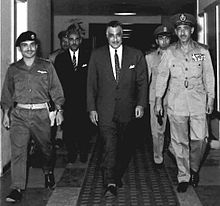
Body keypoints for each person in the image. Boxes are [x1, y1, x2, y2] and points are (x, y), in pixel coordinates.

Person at [1, 31, 65, 202]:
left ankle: (48, 171)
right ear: (20, 48)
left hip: (41, 114)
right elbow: (6, 94)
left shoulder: (47, 66)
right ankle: (17, 188)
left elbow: (56, 90)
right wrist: (6, 113)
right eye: (24, 46)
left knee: (46, 148)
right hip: (19, 114)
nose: (28, 49)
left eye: (31, 45)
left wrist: (59, 110)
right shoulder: (13, 69)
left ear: (36, 47)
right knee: (19, 152)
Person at [155, 13, 215, 193]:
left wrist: (211, 98)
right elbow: (162, 77)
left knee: (201, 139)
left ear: (192, 30)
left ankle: (193, 169)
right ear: (176, 31)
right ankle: (183, 176)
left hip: (198, 101)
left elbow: (209, 76)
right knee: (179, 141)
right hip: (177, 102)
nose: (182, 32)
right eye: (179, 29)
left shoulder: (202, 51)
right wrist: (158, 100)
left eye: (185, 29)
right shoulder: (169, 52)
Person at [87, 20, 147, 196]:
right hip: (104, 110)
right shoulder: (96, 55)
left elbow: (143, 83)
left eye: (118, 34)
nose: (115, 39)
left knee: (123, 147)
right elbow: (91, 84)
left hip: (127, 110)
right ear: (106, 36)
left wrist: (141, 104)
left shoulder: (135, 55)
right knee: (109, 145)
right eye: (111, 35)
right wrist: (91, 108)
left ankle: (115, 171)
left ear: (122, 35)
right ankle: (110, 181)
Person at [54, 24, 91, 164]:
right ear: (67, 41)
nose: (74, 42)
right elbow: (57, 82)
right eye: (71, 39)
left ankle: (83, 153)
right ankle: (72, 153)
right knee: (69, 129)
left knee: (84, 129)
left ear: (80, 40)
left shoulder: (88, 56)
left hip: (84, 100)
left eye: (77, 39)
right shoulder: (60, 59)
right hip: (67, 101)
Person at [145, 24, 172, 168]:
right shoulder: (150, 58)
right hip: (155, 99)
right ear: (157, 41)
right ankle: (158, 155)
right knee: (157, 131)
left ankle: (173, 150)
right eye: (161, 38)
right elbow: (146, 81)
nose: (164, 41)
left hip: (174, 98)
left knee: (176, 130)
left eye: (167, 38)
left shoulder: (176, 56)